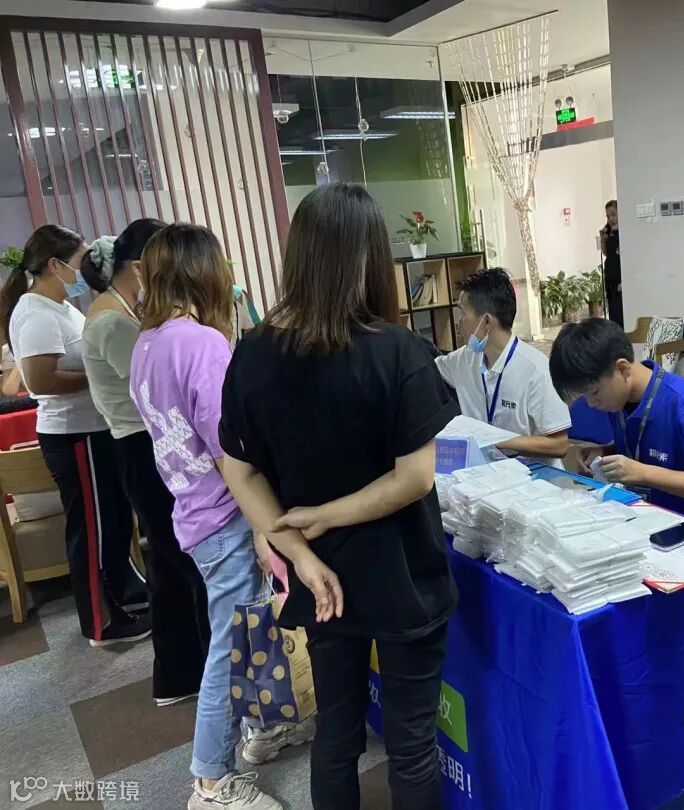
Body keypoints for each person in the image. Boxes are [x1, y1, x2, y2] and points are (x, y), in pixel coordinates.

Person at [218, 183, 459, 809]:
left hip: (322, 578)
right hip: (404, 573)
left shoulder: (254, 354)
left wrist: (301, 550)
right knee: (411, 744)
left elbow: (238, 469)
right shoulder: (398, 351)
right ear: (370, 258)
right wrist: (323, 521)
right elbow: (415, 478)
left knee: (336, 732)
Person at [129, 224, 330, 810]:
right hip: (225, 513)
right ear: (205, 272)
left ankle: (263, 729)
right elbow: (231, 452)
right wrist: (268, 528)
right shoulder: (201, 344)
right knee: (231, 643)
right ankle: (211, 781)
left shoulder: (148, 343)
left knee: (253, 629)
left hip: (193, 509)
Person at [81, 219, 210, 705]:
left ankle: (185, 673)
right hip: (141, 444)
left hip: (146, 442)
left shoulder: (120, 312)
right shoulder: (113, 322)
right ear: (140, 267)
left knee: (171, 561)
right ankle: (189, 674)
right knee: (177, 562)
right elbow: (158, 386)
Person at [0, 224, 149, 645]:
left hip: (96, 429)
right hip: (74, 435)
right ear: (55, 264)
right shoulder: (35, 313)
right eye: (81, 260)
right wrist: (99, 376)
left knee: (114, 522)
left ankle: (126, 593)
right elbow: (40, 380)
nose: (89, 268)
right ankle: (102, 622)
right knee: (91, 529)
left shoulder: (64, 307)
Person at [549, 317, 684, 519]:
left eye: (594, 392)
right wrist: (604, 452)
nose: (591, 404)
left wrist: (643, 473)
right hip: (640, 516)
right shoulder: (619, 401)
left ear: (623, 369)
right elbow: (640, 448)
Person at [435, 267, 570, 461]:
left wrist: (497, 441)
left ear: (486, 321)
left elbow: (560, 445)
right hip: (483, 471)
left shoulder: (536, 369)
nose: (459, 322)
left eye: (463, 313)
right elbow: (427, 369)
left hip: (531, 473)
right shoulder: (464, 358)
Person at [600, 200, 622, 327]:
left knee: (620, 318)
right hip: (611, 284)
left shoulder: (624, 233)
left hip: (620, 283)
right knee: (613, 318)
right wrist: (603, 239)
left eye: (614, 214)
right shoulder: (611, 233)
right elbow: (607, 253)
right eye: (608, 216)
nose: (611, 219)